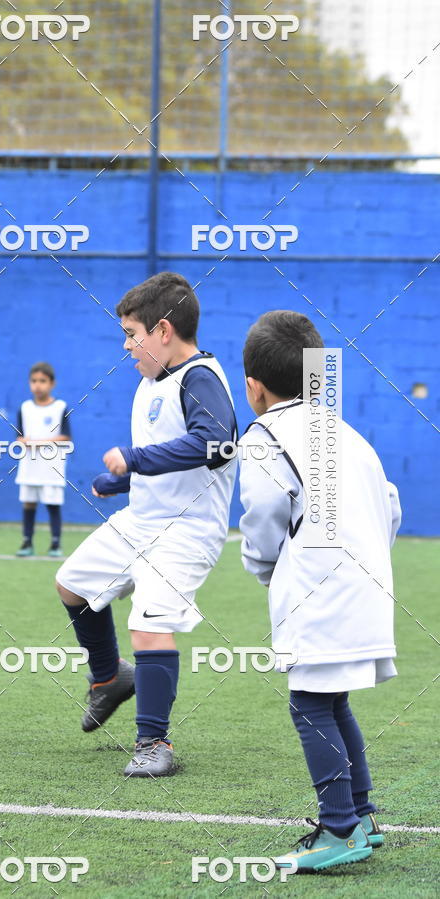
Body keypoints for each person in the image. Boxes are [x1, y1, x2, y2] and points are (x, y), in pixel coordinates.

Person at [236, 309, 401, 871]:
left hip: (318, 590)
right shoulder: (346, 431)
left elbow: (261, 517)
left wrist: (265, 568)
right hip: (368, 587)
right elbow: (392, 505)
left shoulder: (264, 436)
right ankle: (363, 814)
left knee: (309, 704)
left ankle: (340, 830)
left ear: (253, 386)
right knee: (331, 699)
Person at [55, 271, 237, 777]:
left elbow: (217, 444)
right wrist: (123, 482)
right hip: (143, 519)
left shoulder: (200, 378)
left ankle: (154, 742)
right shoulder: (150, 382)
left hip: (188, 531)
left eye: (132, 333)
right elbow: (169, 466)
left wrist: (135, 460)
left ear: (162, 330)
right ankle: (109, 677)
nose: (126, 345)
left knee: (148, 624)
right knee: (72, 585)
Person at [15, 362, 72, 558]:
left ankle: (55, 544)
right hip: (29, 465)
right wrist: (24, 441)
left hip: (52, 467)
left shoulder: (60, 407)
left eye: (42, 381)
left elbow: (65, 437)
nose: (37, 385)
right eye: (33, 381)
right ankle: (27, 542)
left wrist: (39, 442)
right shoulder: (25, 407)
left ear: (52, 383)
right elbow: (19, 437)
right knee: (28, 503)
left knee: (52, 504)